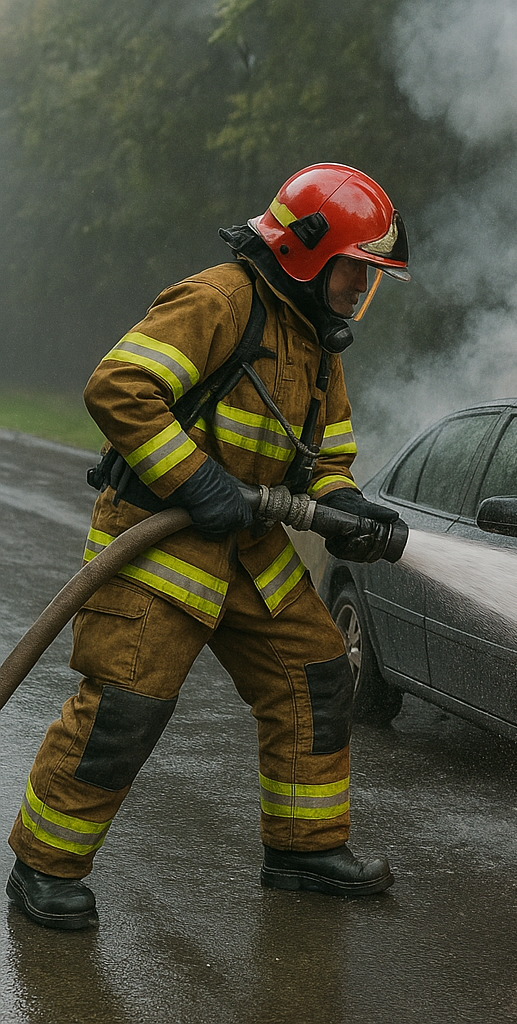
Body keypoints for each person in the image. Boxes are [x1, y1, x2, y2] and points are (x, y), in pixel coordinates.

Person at [6, 163, 409, 930]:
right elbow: (118, 386)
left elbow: (324, 459)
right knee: (127, 704)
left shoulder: (319, 345)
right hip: (158, 543)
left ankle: (303, 850)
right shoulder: (220, 299)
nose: (361, 292)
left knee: (318, 675)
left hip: (247, 547)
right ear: (308, 256)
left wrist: (348, 507)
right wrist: (196, 481)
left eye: (370, 278)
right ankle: (43, 868)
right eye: (355, 273)